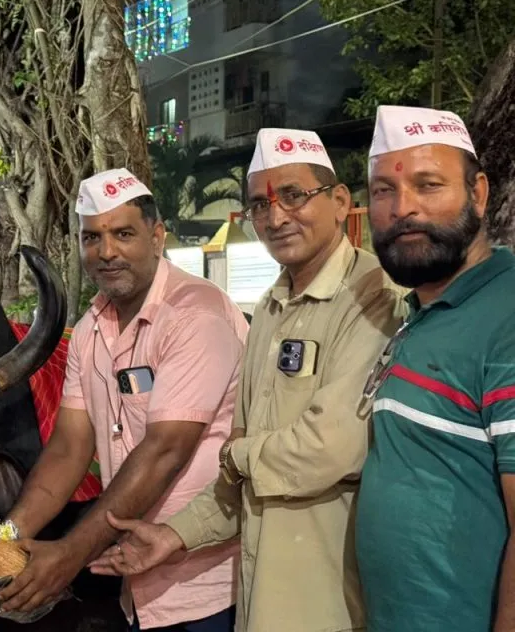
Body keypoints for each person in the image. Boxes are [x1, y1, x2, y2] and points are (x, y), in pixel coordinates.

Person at [92, 129, 406, 632]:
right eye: (260, 204)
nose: (276, 216)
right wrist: (174, 535)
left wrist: (236, 456)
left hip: (329, 604)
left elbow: (331, 448)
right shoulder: (270, 309)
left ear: (340, 200)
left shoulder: (375, 298)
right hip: (259, 604)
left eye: (294, 196)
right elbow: (247, 484)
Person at [0, 168, 247, 631]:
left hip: (208, 585)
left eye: (123, 234)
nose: (106, 252)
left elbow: (164, 452)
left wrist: (68, 557)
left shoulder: (195, 316)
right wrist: (4, 540)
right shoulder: (92, 327)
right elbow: (71, 447)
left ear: (157, 237)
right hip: (135, 582)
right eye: (92, 238)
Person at [355, 106, 515, 631]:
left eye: (428, 186)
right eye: (384, 191)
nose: (404, 209)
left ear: (479, 193)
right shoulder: (422, 308)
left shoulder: (506, 316)